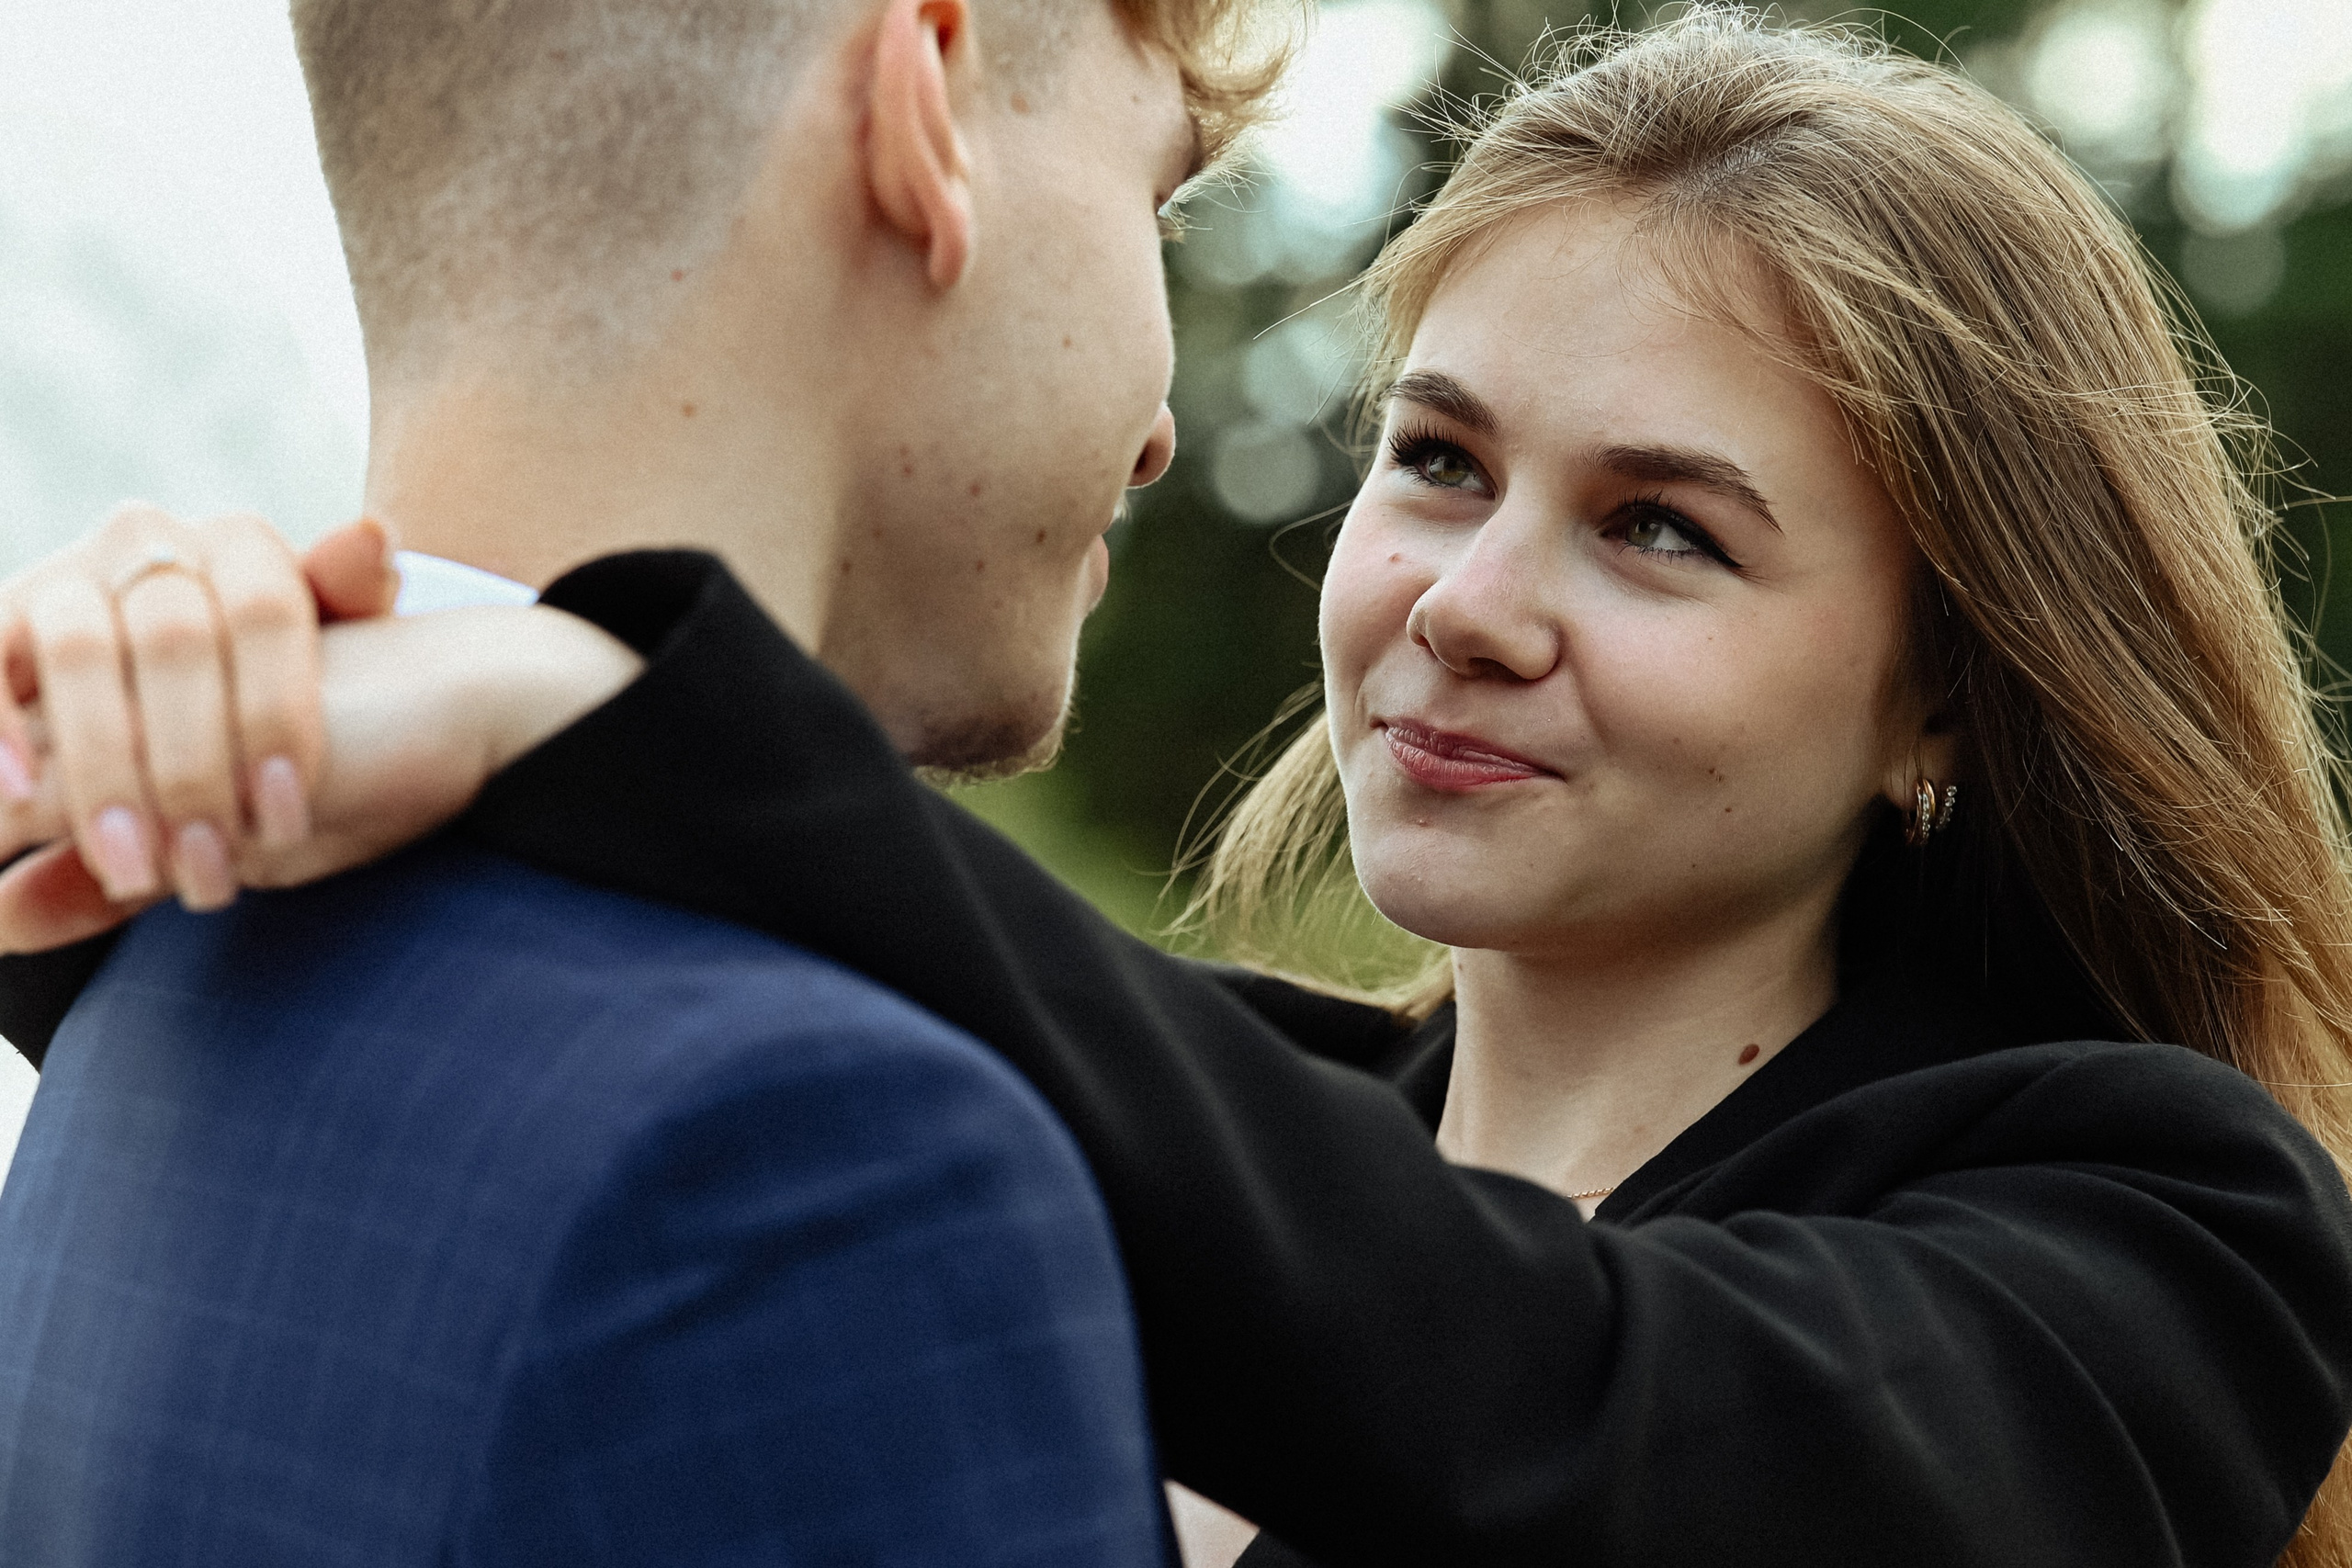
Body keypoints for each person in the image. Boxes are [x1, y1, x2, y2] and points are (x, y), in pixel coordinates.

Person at [6, 10, 2352, 1568]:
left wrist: (614, 697)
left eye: (1658, 526)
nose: (1466, 602)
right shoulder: (1191, 1093)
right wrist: (174, 736)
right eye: (1436, 461)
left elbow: (1579, 1410)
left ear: (1942, 695)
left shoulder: (2173, 1227)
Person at [0, 0, 1290, 1559]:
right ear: (927, 106)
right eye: (1156, 198)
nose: (1158, 437)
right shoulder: (834, 1159)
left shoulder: (147, 982)